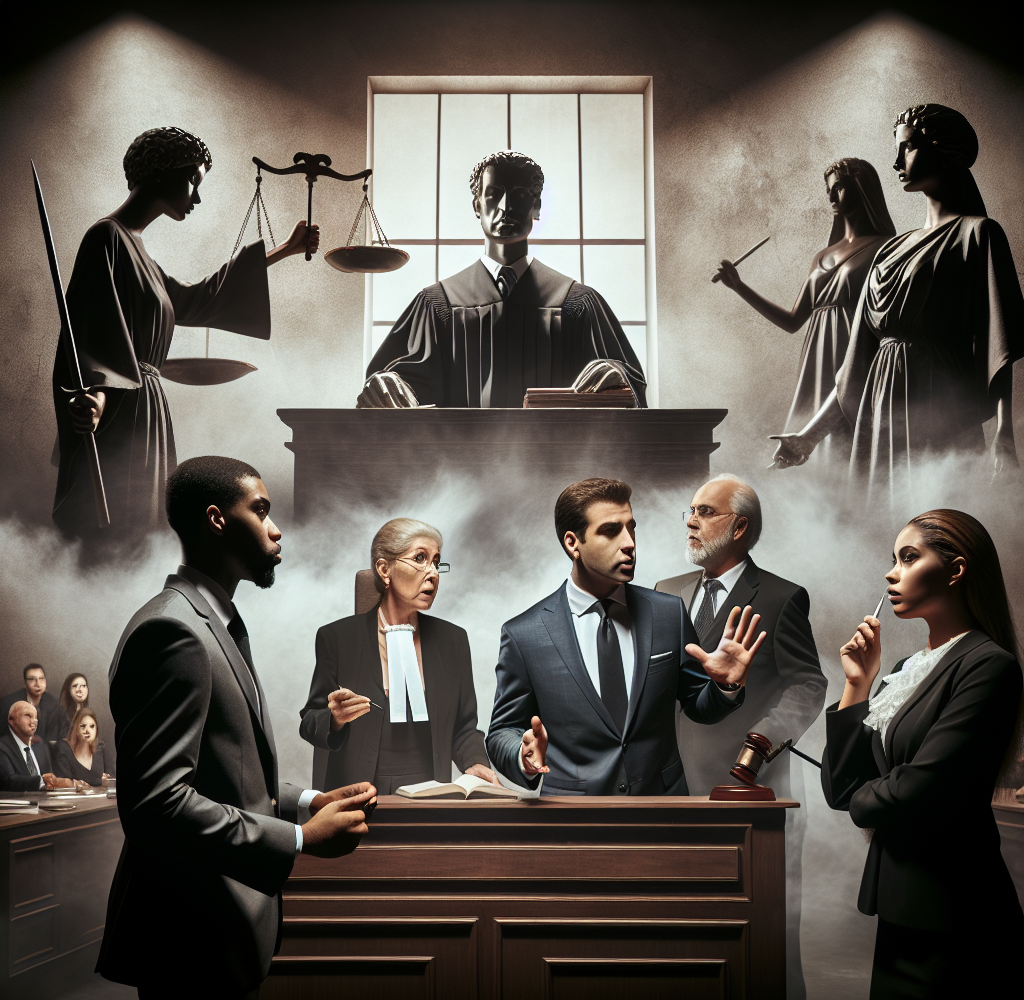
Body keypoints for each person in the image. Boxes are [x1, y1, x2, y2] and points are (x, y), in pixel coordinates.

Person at [96, 456, 377, 1000]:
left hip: (217, 932)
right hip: (191, 936)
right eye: (262, 511)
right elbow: (156, 805)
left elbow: (224, 765)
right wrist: (298, 838)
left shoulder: (211, 620)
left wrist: (306, 800)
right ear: (216, 520)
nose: (276, 529)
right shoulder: (173, 631)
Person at [52, 126, 320, 542]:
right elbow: (91, 330)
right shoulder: (106, 238)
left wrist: (282, 250)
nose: (196, 196)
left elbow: (193, 302)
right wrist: (99, 396)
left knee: (145, 528)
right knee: (119, 531)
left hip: (147, 408)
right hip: (121, 411)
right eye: (194, 179)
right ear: (162, 171)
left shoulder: (140, 251)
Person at [821, 508, 1024, 1000]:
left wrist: (871, 798)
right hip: (904, 909)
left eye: (909, 557)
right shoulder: (904, 671)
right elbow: (842, 789)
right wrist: (857, 686)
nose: (892, 572)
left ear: (955, 570)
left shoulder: (989, 665)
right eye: (893, 559)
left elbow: (922, 787)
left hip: (958, 913)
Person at [772, 106, 1023, 497]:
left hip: (939, 400)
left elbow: (999, 343)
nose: (895, 162)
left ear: (942, 150)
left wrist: (1004, 436)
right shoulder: (889, 250)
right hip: (880, 410)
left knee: (937, 517)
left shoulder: (979, 234)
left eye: (906, 148)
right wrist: (807, 437)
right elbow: (855, 364)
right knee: (883, 522)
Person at [655, 473, 827, 1000]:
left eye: (705, 511)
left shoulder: (781, 597)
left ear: (740, 526)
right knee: (682, 932)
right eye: (690, 508)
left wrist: (758, 747)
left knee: (769, 935)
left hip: (754, 792)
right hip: (674, 790)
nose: (690, 519)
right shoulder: (664, 591)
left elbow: (808, 685)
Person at [486, 478, 765, 795]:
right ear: (572, 544)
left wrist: (725, 686)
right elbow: (502, 731)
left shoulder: (667, 613)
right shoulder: (524, 634)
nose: (629, 542)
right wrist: (522, 757)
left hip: (664, 816)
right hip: (573, 822)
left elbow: (700, 707)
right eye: (610, 531)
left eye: (631, 528)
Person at [359, 150, 647, 408]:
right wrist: (386, 384)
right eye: (493, 194)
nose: (506, 206)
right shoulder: (438, 305)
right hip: (458, 464)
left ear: (536, 207)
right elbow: (400, 385)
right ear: (477, 206)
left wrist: (618, 377)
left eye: (520, 194)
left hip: (557, 463)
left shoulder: (578, 304)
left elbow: (629, 387)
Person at [714, 158, 894, 463]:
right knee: (819, 449)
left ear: (862, 188)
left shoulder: (888, 248)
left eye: (839, 187)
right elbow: (793, 320)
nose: (831, 197)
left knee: (853, 442)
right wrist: (738, 286)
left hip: (856, 354)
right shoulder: (822, 256)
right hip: (817, 360)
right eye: (828, 189)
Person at [300, 519, 496, 795]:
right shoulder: (336, 638)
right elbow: (309, 723)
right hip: (358, 793)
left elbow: (464, 728)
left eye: (436, 562)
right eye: (420, 558)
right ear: (384, 569)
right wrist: (334, 719)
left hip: (429, 793)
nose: (433, 573)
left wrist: (475, 762)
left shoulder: (453, 640)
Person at [0, 701, 73, 791]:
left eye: (36, 717)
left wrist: (61, 783)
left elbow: (49, 779)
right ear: (12, 720)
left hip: (45, 801)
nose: (34, 721)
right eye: (28, 716)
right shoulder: (2, 747)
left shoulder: (41, 747)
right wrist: (41, 781)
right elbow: (8, 781)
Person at [0, 663, 69, 742]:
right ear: (25, 683)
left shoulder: (54, 704)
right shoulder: (8, 703)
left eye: (41, 679)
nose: (38, 684)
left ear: (45, 681)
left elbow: (55, 737)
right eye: (32, 679)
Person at [54, 707, 113, 787]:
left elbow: (111, 777)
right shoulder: (63, 748)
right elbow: (65, 782)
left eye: (92, 726)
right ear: (76, 729)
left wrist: (104, 780)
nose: (87, 731)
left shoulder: (100, 748)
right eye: (83, 726)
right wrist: (98, 780)